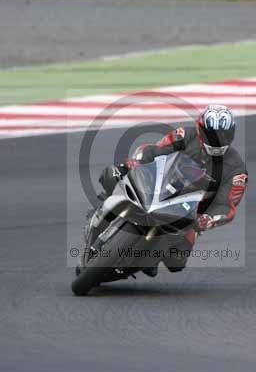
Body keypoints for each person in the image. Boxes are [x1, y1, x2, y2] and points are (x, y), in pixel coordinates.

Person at [98, 104, 248, 276]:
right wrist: (135, 163)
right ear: (200, 130)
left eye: (222, 135)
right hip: (161, 184)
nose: (216, 140)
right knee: (112, 174)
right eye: (211, 134)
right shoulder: (186, 135)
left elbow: (226, 205)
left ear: (231, 134)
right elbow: (155, 150)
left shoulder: (237, 169)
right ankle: (102, 210)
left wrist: (208, 219)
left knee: (176, 261)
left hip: (190, 211)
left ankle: (151, 257)